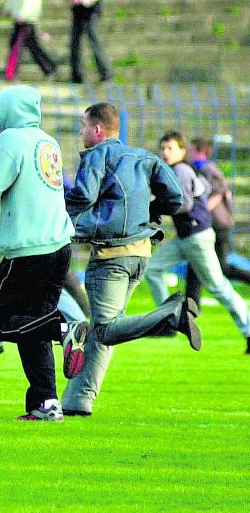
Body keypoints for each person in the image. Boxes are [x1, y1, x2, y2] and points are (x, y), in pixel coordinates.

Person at [61, 104, 201, 418]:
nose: (82, 132)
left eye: (84, 125)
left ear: (97, 130)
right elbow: (177, 198)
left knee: (106, 330)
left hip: (112, 256)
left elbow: (83, 195)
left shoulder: (98, 156)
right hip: (141, 254)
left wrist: (55, 210)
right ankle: (78, 400)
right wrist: (150, 213)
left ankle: (172, 314)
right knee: (104, 329)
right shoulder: (146, 158)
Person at [0, 86, 89, 421]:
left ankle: (63, 329)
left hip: (30, 248)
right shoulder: (46, 139)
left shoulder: (11, 140)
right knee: (30, 325)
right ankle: (46, 403)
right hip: (59, 246)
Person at [0, 103, 91, 366]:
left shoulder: (9, 144)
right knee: (43, 288)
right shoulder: (41, 142)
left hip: (12, 231)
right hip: (45, 233)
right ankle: (77, 329)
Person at [145, 131, 250, 355]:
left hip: (197, 238)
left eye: (170, 148)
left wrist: (156, 206)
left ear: (182, 151)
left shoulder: (181, 170)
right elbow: (204, 189)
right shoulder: (180, 170)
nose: (165, 152)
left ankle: (248, 330)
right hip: (186, 237)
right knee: (151, 268)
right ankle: (170, 320)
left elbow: (184, 204)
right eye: (163, 148)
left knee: (218, 286)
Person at [186, 138, 250, 292]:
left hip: (218, 226)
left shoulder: (208, 169)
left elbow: (219, 193)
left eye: (191, 149)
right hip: (208, 225)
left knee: (222, 267)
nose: (189, 152)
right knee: (195, 264)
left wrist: (201, 211)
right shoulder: (199, 169)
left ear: (199, 151)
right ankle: (190, 306)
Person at [66, 0, 112, 84]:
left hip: (90, 14)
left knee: (94, 43)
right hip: (78, 14)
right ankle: (77, 75)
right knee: (75, 45)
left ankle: (106, 72)